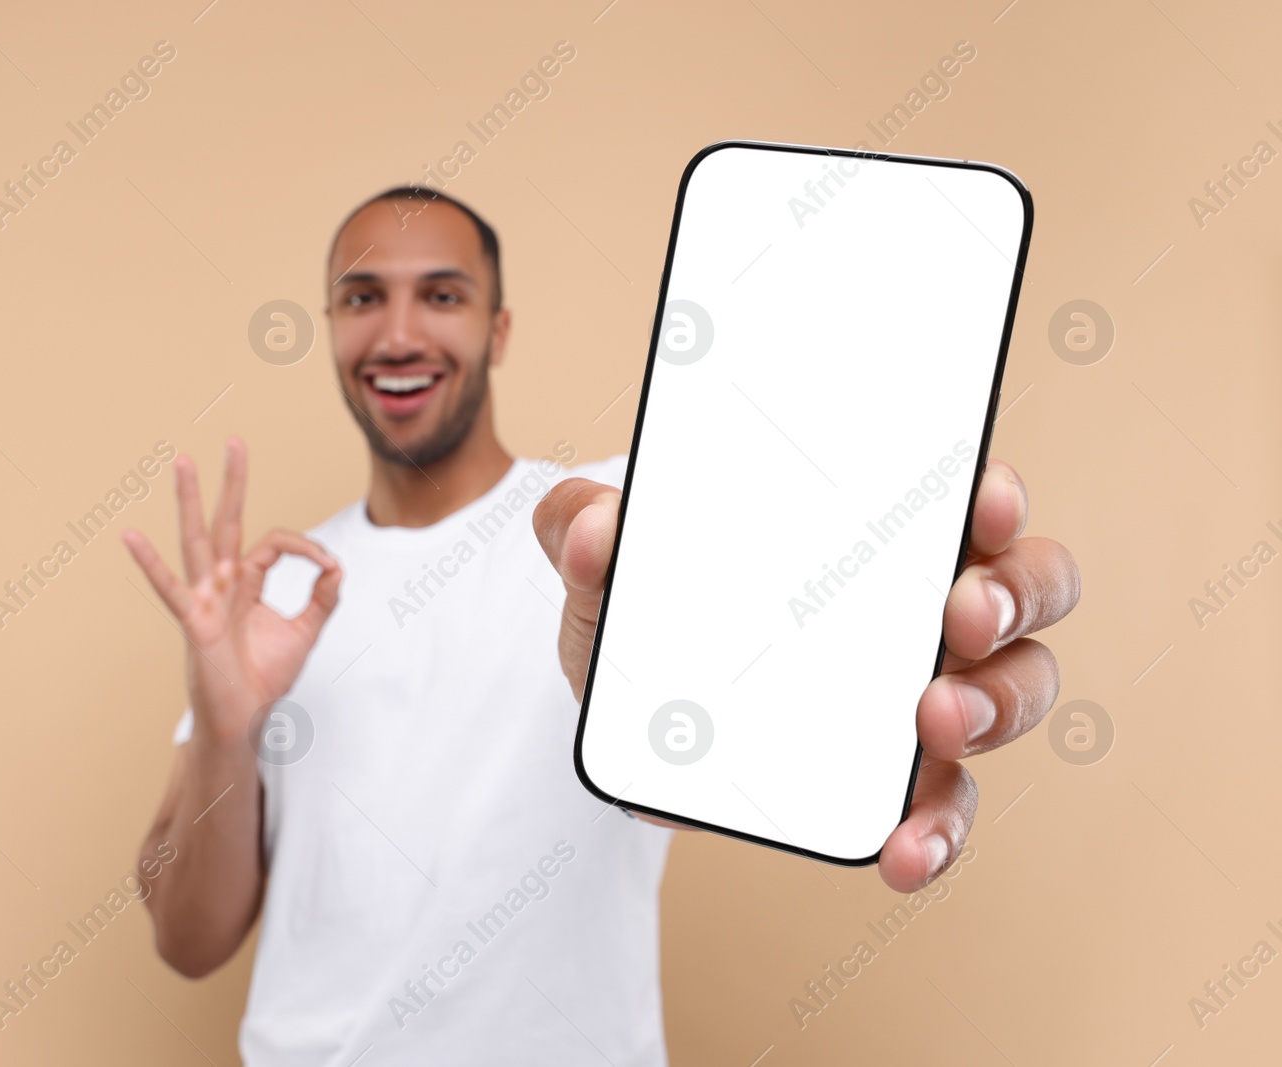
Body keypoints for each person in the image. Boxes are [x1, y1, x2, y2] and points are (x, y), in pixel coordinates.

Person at [122, 186, 1081, 1065]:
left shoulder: (618, 525)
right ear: (331, 325)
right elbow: (186, 938)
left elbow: (797, 590)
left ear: (498, 331)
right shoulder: (275, 596)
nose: (400, 331)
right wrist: (227, 721)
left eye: (443, 296)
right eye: (364, 296)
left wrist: (898, 578)